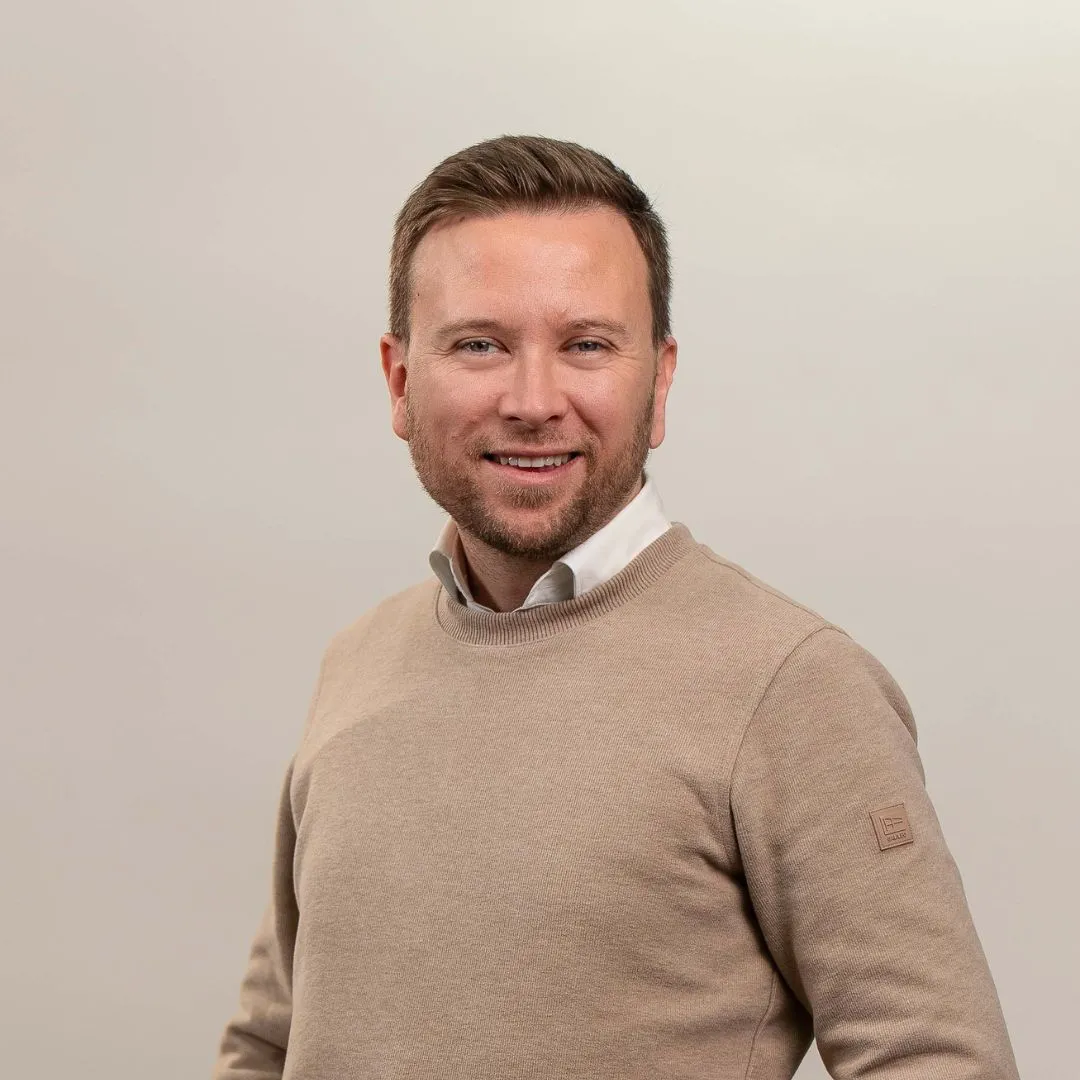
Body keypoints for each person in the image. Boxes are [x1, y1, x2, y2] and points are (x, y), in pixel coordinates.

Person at [211, 135, 1019, 1079]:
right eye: (481, 344)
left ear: (660, 380)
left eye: (586, 345)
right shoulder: (358, 662)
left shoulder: (794, 685)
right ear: (399, 381)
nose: (532, 399)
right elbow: (272, 1043)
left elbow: (935, 1058)